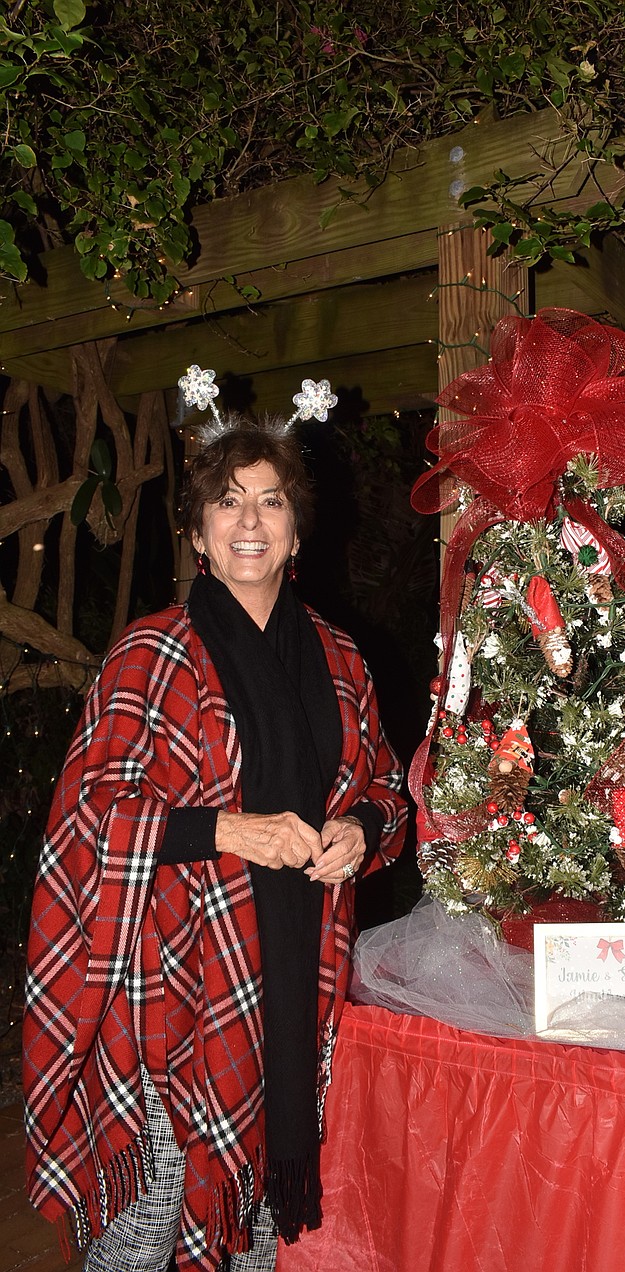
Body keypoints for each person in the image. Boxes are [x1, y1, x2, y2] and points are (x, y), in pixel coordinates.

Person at [22, 413, 407, 1272]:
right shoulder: (155, 650)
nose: (249, 522)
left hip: (299, 983)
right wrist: (230, 830)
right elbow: (92, 808)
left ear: (297, 528)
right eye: (228, 502)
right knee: (147, 1224)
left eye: (271, 502)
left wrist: (361, 830)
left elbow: (386, 787)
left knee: (258, 1224)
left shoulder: (341, 657)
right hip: (175, 985)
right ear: (199, 529)